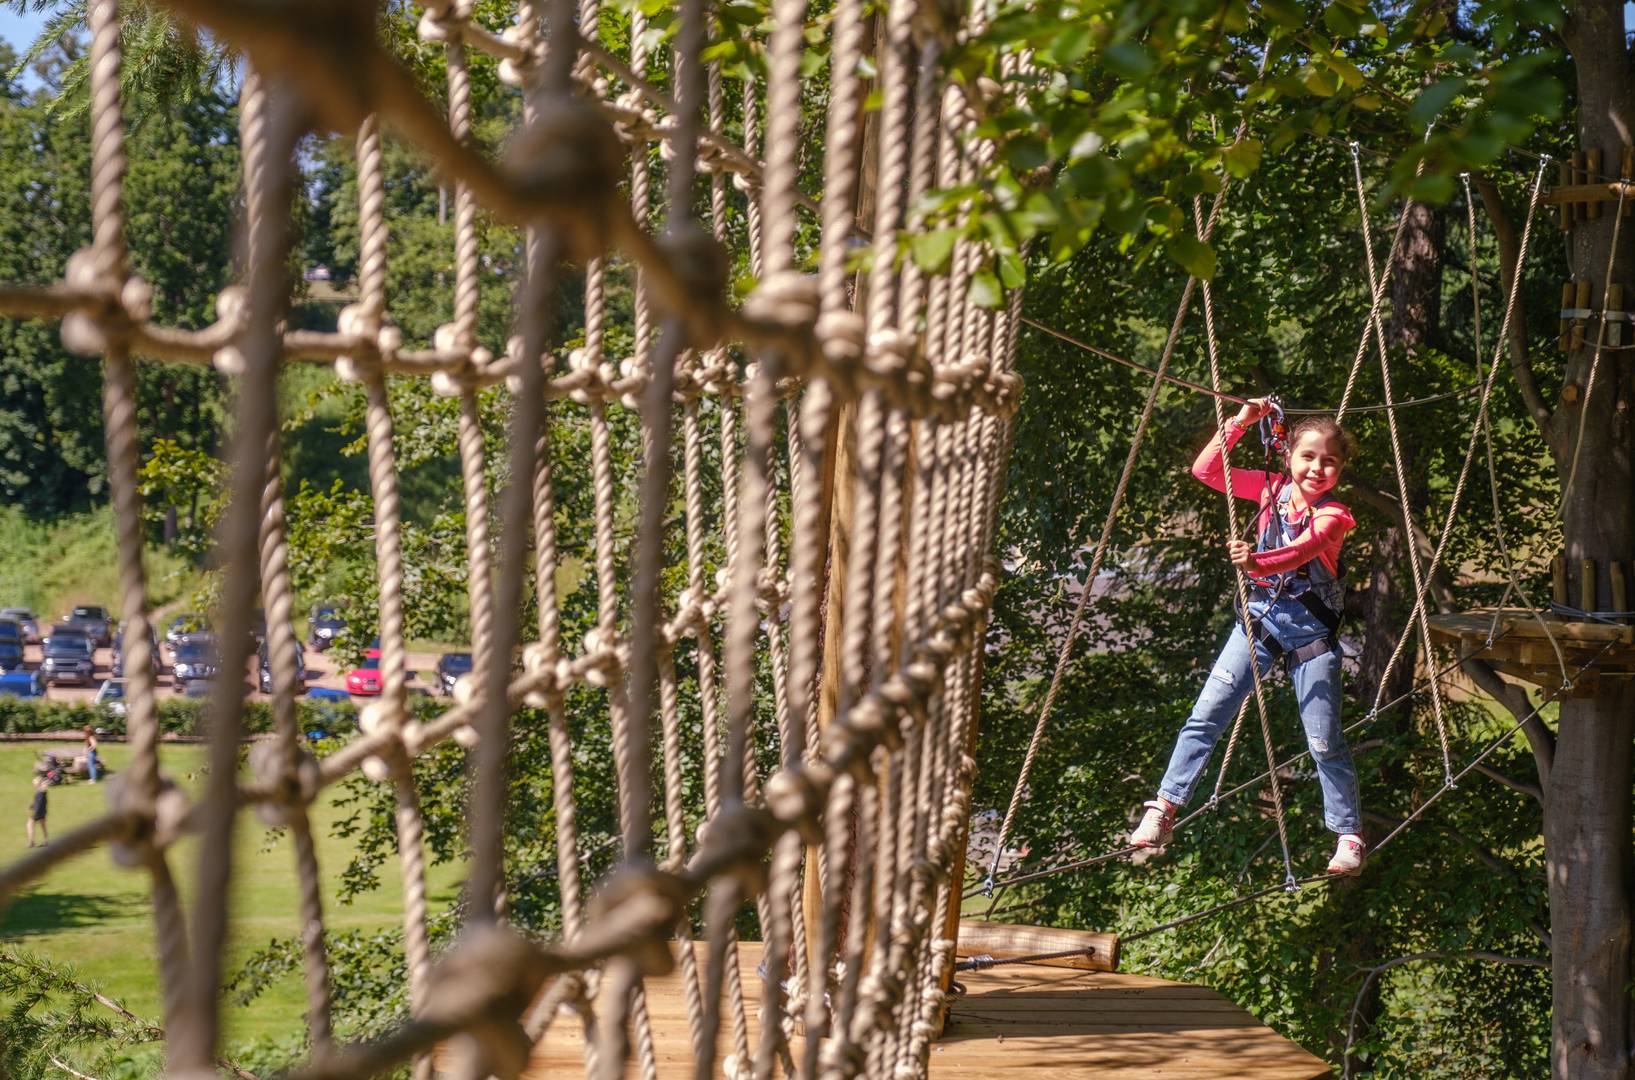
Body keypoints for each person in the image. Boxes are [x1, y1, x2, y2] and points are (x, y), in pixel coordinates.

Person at [1132, 397, 1365, 875]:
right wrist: (1242, 421)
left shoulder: (1334, 515)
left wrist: (1256, 561)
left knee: (1323, 741)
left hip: (1310, 636)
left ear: (1339, 470)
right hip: (1258, 623)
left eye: (1329, 462)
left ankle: (1348, 834)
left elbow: (1306, 548)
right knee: (1207, 714)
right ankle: (1165, 806)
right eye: (1308, 456)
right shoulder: (1269, 489)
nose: (1318, 468)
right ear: (1288, 457)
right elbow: (1206, 470)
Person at [26, 775, 48, 847]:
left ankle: (31, 842)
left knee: (29, 825)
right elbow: (38, 802)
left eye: (34, 783)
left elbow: (39, 802)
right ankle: (46, 841)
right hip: (42, 811)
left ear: (38, 784)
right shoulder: (40, 791)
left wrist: (35, 811)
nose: (34, 785)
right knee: (43, 826)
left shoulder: (41, 791)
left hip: (38, 812)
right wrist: (32, 806)